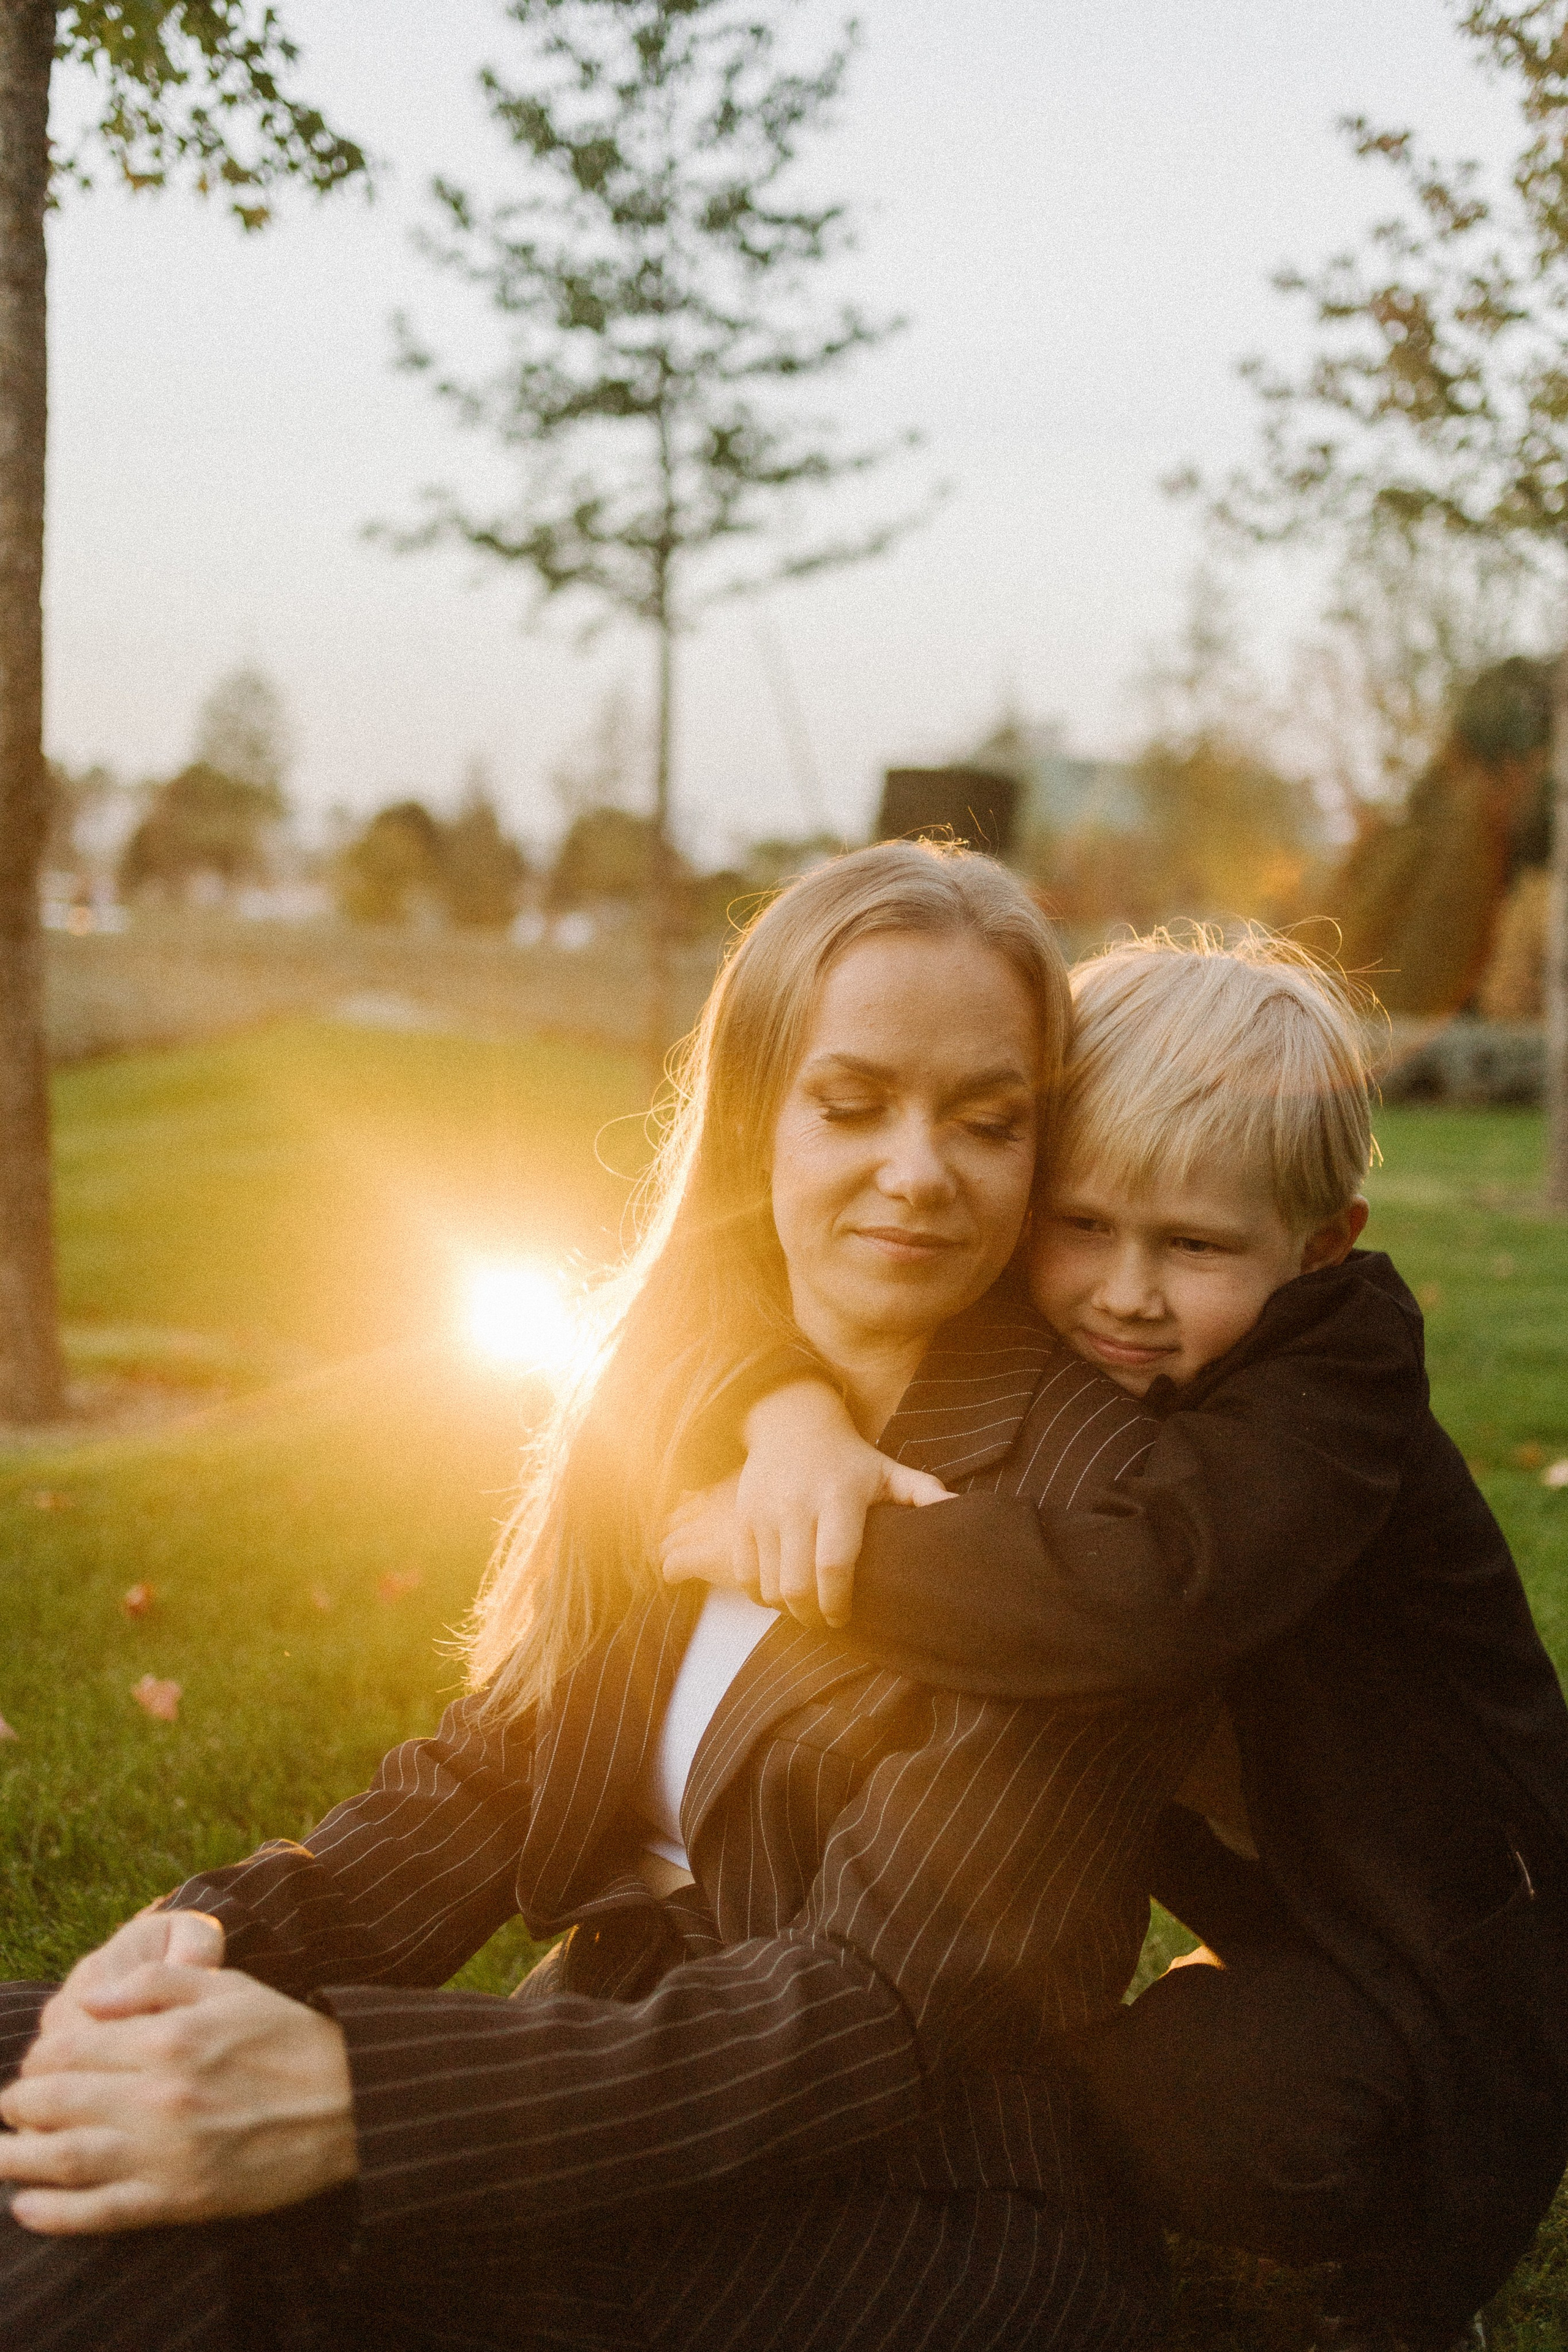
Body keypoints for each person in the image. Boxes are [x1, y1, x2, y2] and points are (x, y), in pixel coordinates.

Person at [0, 845, 1215, 2352]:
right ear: (754, 1116)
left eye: (986, 1123)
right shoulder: (694, 1393)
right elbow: (488, 1780)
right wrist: (206, 1954)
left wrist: (349, 2103)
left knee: (177, 2222)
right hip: (613, 2080)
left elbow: (872, 2017)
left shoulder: (1087, 1500)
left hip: (921, 2208)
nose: (918, 1170)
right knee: (49, 2078)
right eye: (851, 1106)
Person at [663, 929, 1568, 2350]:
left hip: (1453, 1919)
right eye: (1079, 1225)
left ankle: (1367, 2144)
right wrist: (788, 1418)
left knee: (1216, 2115)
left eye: (1192, 1246)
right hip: (1280, 1879)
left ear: (1320, 1245)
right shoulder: (1070, 1349)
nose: (1122, 1293)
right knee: (1059, 2066)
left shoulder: (1333, 1386)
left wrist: (828, 1558)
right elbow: (726, 1290)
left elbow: (1148, 1595)